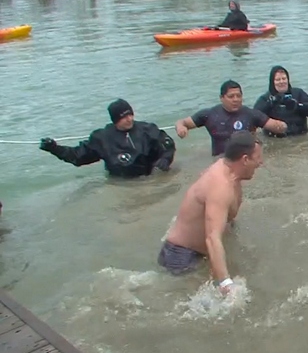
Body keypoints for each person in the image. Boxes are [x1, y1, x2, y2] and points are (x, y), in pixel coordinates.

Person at [157, 131, 263, 294]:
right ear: (245, 159)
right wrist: (226, 283)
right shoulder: (220, 186)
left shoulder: (228, 170)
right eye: (258, 158)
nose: (260, 163)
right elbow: (212, 238)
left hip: (199, 251)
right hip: (181, 257)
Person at [39, 99, 176, 178]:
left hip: (151, 177)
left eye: (130, 115)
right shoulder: (102, 138)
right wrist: (54, 148)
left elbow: (168, 145)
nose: (129, 119)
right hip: (121, 184)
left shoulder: (147, 129)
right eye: (124, 117)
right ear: (115, 119)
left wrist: (165, 159)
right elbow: (78, 156)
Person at [174, 80, 287, 156]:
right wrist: (181, 128)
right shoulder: (209, 114)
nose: (235, 99)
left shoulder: (251, 114)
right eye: (231, 96)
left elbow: (279, 126)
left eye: (238, 96)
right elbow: (182, 122)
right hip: (220, 161)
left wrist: (282, 125)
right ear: (221, 98)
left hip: (246, 161)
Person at [252, 65, 308, 138]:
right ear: (272, 82)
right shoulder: (265, 98)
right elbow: (254, 117)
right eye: (278, 79)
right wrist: (270, 103)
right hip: (275, 139)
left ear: (288, 80)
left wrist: (297, 106)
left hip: (301, 136)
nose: (281, 82)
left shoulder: (298, 93)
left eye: (284, 79)